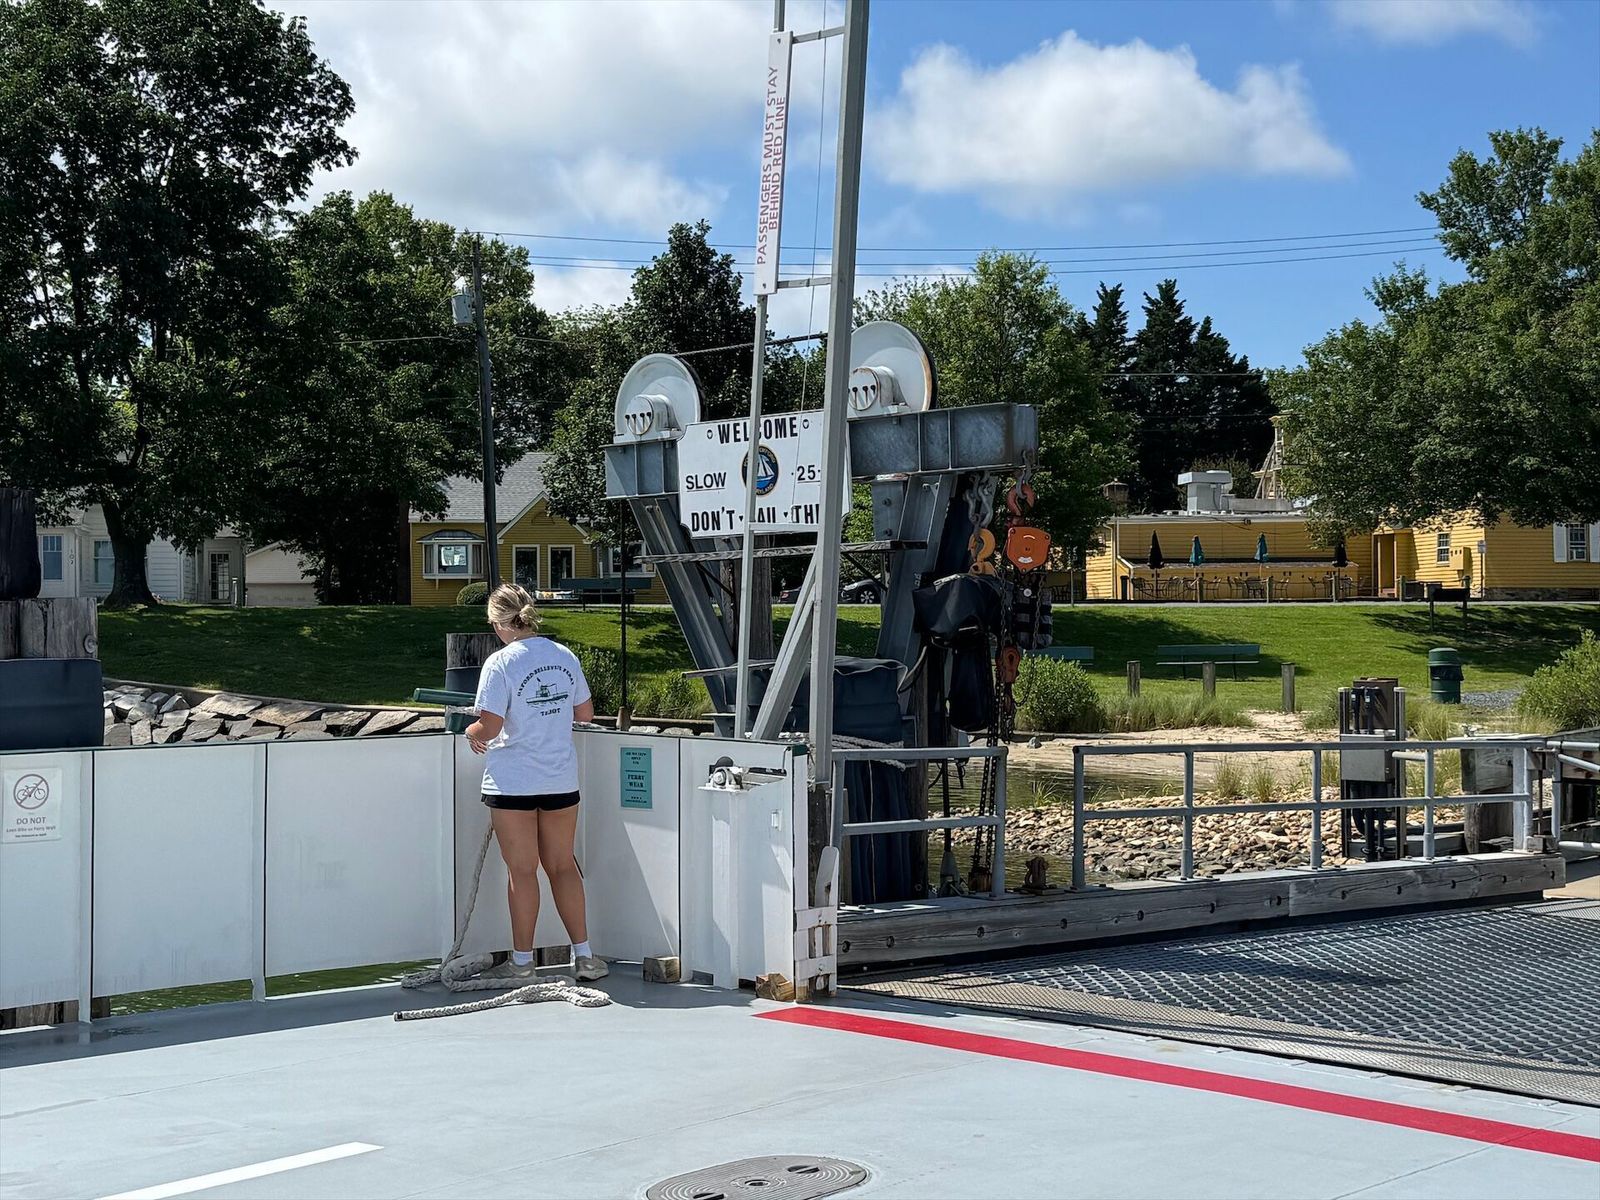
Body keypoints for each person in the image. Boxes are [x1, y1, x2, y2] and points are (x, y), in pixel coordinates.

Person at [463, 583, 607, 982]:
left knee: (523, 871)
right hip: (559, 778)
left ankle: (523, 963)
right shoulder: (563, 656)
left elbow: (490, 727)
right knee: (562, 866)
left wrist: (470, 730)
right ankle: (585, 957)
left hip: (514, 783)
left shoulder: (499, 663)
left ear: (498, 623)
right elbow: (585, 713)